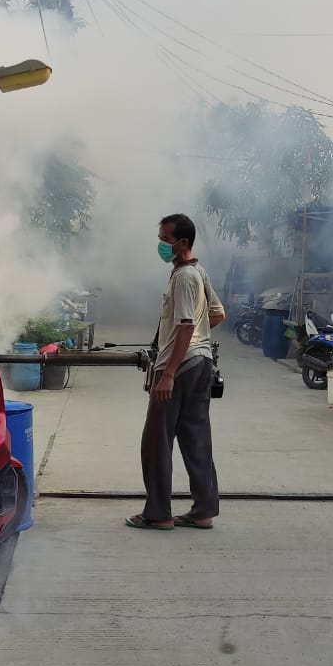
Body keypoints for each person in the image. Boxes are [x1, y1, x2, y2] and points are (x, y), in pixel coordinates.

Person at [126, 213, 226, 531]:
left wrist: (168, 372)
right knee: (196, 439)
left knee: (156, 440)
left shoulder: (183, 278)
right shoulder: (198, 272)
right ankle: (204, 510)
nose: (161, 245)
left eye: (165, 240)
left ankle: (158, 514)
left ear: (183, 243)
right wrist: (196, 341)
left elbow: (185, 326)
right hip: (201, 363)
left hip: (180, 368)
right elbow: (217, 314)